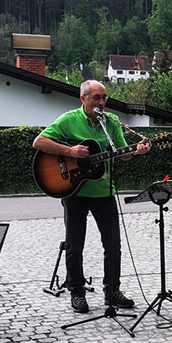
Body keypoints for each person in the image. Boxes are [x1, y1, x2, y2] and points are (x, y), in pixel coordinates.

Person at [33, 80, 150, 314]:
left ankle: (112, 291)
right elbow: (39, 142)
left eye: (104, 98)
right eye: (96, 97)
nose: (101, 102)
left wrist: (136, 151)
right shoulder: (69, 120)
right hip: (74, 191)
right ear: (83, 99)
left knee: (113, 245)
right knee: (75, 246)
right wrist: (71, 151)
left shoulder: (111, 122)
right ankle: (77, 292)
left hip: (104, 192)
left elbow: (121, 154)